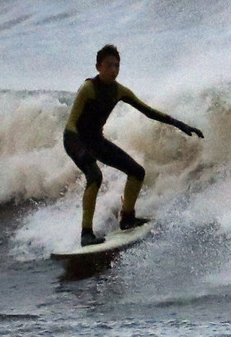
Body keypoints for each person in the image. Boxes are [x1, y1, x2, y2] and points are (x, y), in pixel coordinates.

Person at [64, 44, 204, 246]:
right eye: (108, 65)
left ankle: (127, 218)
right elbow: (71, 124)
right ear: (98, 67)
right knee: (94, 176)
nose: (113, 70)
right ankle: (86, 233)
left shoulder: (119, 91)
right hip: (74, 139)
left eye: (117, 66)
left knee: (137, 172)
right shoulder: (88, 89)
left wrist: (180, 124)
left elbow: (148, 111)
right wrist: (81, 149)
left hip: (96, 141)